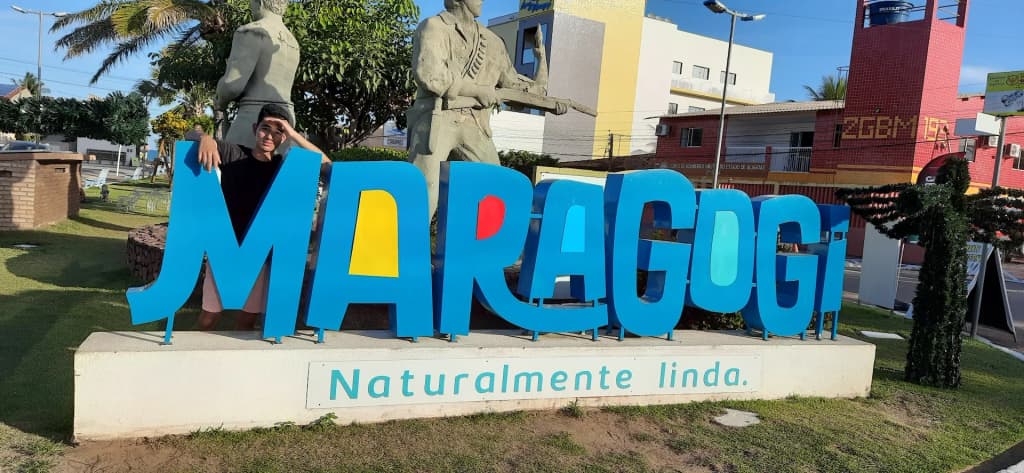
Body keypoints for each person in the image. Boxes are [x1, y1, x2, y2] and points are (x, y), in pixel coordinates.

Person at [407, 0, 549, 220]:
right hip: (437, 118)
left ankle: (494, 249)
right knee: (424, 186)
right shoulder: (434, 27)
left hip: (475, 125)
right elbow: (431, 75)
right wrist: (477, 90)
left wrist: (542, 61)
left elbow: (522, 90)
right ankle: (406, 247)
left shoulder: (493, 42)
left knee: (498, 186)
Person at [194, 104, 330, 331]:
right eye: (266, 128)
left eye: (279, 131)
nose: (270, 136)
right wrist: (205, 137)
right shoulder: (233, 153)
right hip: (226, 248)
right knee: (209, 315)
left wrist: (294, 134)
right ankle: (191, 359)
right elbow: (191, 135)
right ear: (255, 128)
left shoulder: (282, 166)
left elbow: (327, 166)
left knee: (247, 319)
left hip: (259, 252)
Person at [215, 0, 299, 150]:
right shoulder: (293, 41)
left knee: (235, 169)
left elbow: (232, 85)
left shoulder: (251, 31)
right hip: (287, 123)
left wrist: (220, 101)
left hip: (253, 121)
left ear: (260, 3)